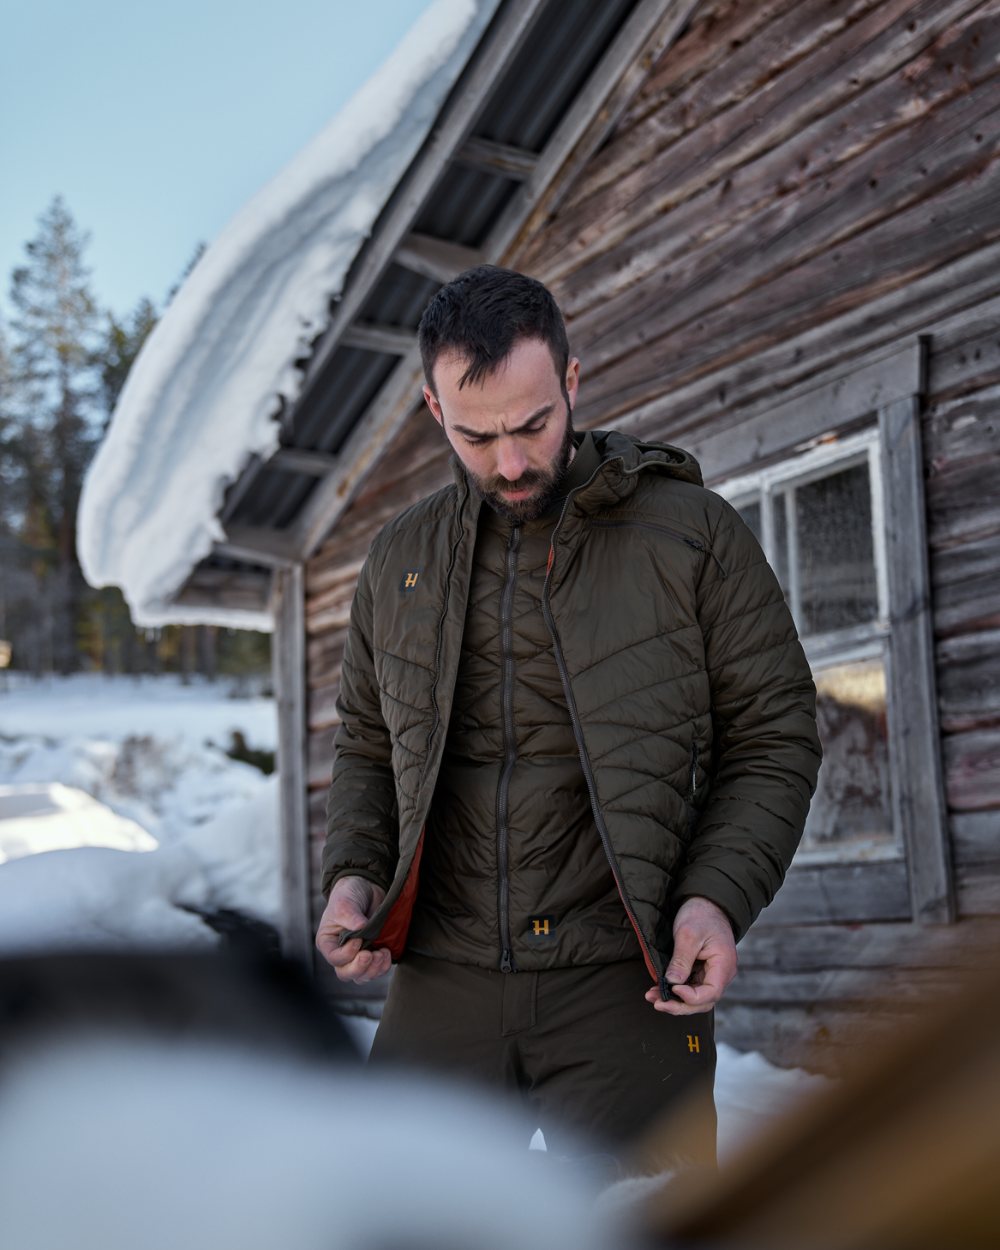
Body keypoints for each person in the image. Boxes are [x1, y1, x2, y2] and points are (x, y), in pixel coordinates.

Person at [316, 265, 822, 1171]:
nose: (510, 462)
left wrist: (714, 899)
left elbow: (774, 734)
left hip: (627, 982)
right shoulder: (399, 559)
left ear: (573, 383)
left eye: (533, 424)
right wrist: (355, 873)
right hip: (442, 982)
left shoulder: (694, 535)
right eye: (477, 436)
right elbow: (365, 739)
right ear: (435, 411)